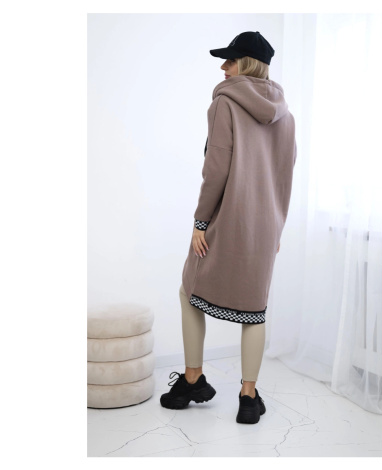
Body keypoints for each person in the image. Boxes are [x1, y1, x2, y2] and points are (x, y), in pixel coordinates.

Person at [160, 31, 297, 424]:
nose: (223, 67)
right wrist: (277, 228)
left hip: (228, 218)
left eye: (231, 60)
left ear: (247, 64)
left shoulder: (225, 102)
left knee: (189, 291)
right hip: (266, 226)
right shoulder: (286, 116)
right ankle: (248, 398)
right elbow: (285, 176)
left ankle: (193, 379)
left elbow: (216, 169)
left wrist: (201, 222)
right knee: (255, 309)